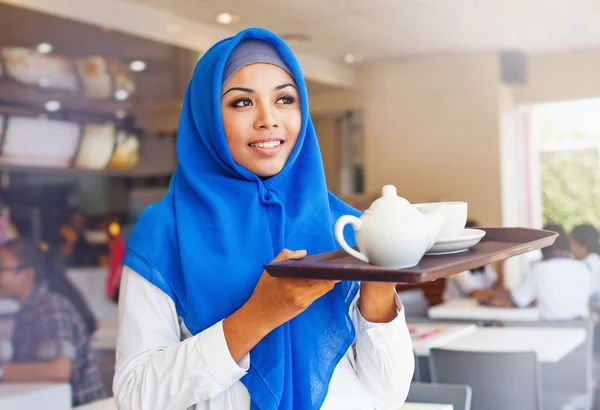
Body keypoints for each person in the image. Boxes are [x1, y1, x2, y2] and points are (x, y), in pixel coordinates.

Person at [113, 29, 414, 410]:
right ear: (207, 118)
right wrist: (258, 315)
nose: (268, 120)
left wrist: (378, 289)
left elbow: (388, 395)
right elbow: (136, 396)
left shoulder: (348, 228)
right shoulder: (165, 231)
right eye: (241, 103)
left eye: (284, 99)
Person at [0, 238, 104, 406]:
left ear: (27, 273)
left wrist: (2, 371)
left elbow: (59, 370)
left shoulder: (50, 306)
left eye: (1, 269)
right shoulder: (28, 308)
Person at [483, 224, 591, 321]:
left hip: (552, 332)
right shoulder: (583, 267)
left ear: (542, 246)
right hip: (582, 331)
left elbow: (517, 302)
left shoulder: (540, 269)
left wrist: (488, 301)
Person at [443, 219, 499, 301]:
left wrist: (500, 263)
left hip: (471, 310)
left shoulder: (481, 262)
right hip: (452, 310)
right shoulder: (456, 263)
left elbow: (495, 285)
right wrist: (502, 293)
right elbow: (475, 294)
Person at [570, 223, 600, 297]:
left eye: (572, 244)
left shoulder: (588, 265)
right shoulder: (594, 260)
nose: (570, 248)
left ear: (584, 246)